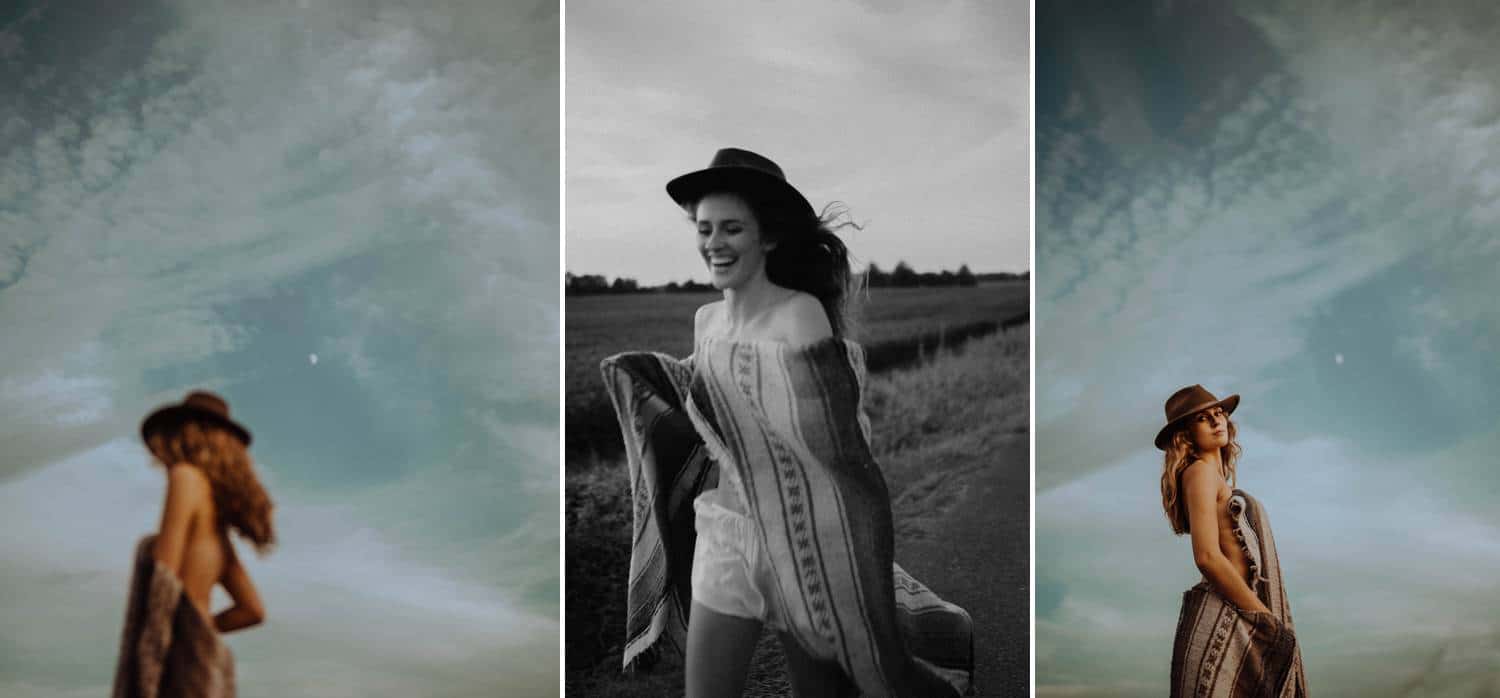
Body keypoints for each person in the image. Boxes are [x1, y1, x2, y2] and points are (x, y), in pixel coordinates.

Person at [601, 148, 972, 698]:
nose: (714, 243)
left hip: (804, 545)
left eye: (732, 228)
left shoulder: (799, 315)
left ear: (768, 237)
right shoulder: (705, 321)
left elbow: (834, 447)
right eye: (704, 228)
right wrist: (656, 384)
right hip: (725, 537)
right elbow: (715, 421)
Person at [113, 391, 274, 698]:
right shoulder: (218, 528)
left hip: (175, 669)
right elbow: (252, 610)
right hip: (206, 668)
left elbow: (165, 575)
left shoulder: (185, 477)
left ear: (185, 432)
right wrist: (202, 629)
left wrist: (149, 666)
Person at [1157, 385, 1307, 697]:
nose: (1216, 421)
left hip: (1241, 618)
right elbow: (1207, 556)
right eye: (1202, 418)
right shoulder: (1198, 473)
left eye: (1219, 413)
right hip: (1230, 615)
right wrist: (1264, 617)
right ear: (1185, 434)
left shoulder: (1214, 478)